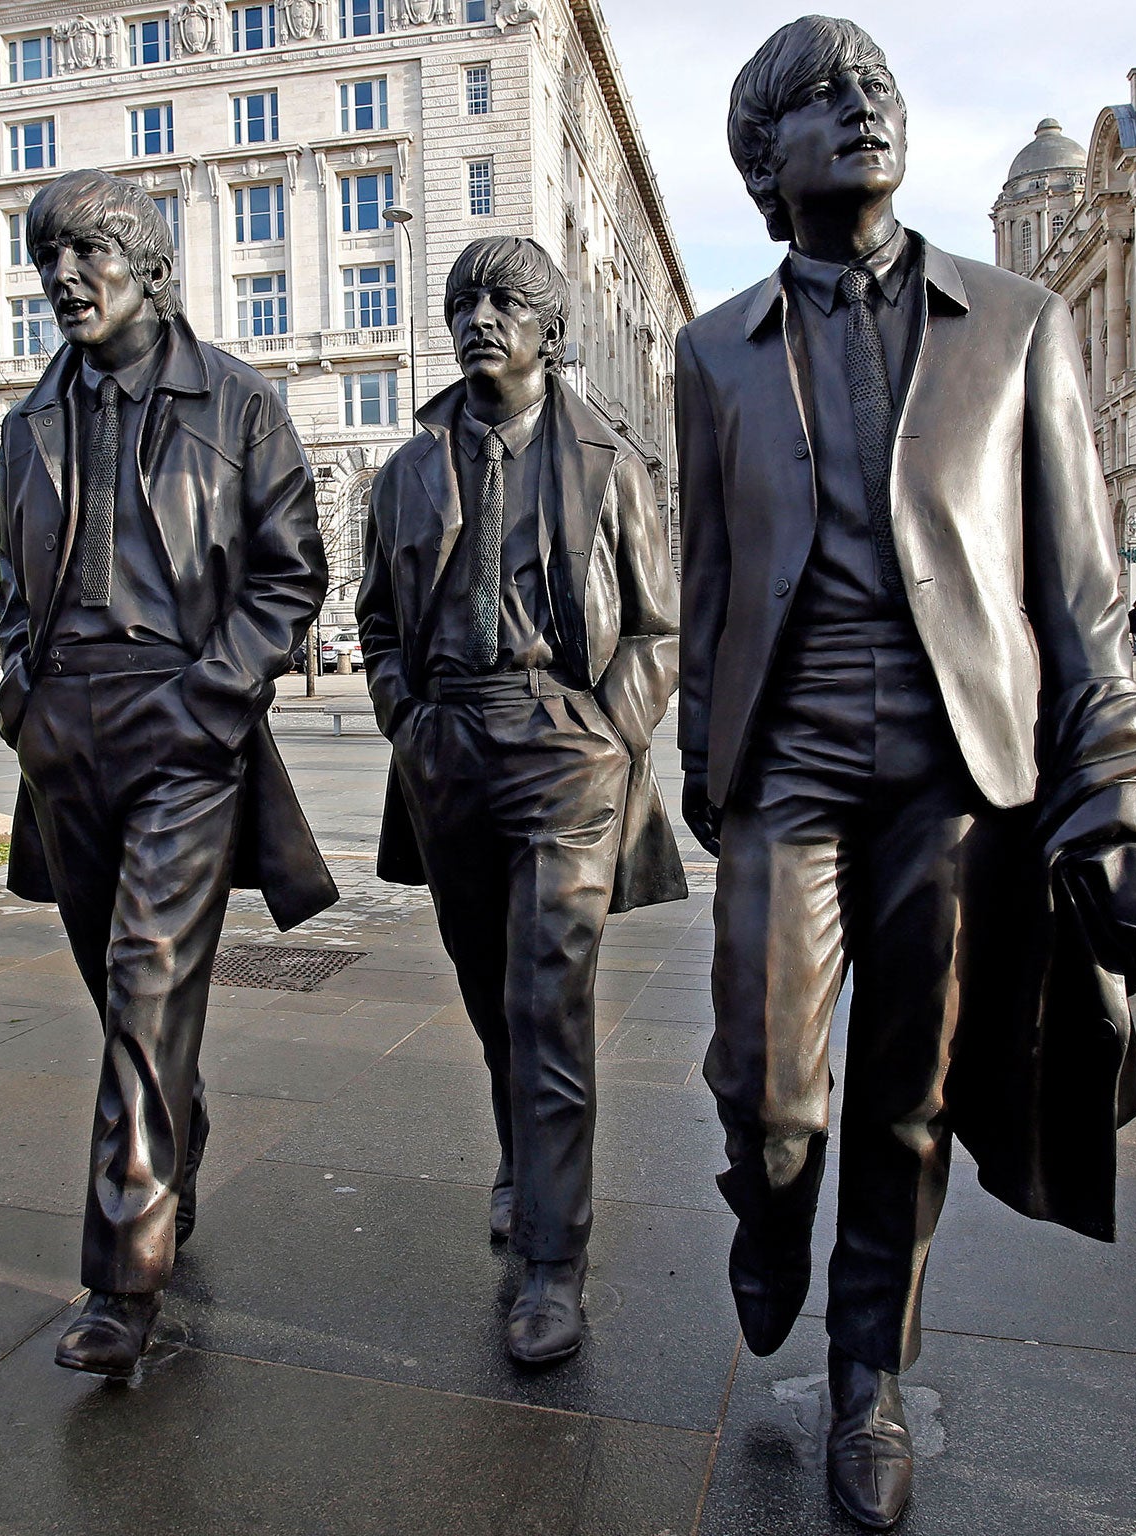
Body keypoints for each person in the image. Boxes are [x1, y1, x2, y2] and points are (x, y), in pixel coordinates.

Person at [675, 19, 1136, 1530]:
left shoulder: (1012, 323)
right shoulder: (713, 350)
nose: (859, 106)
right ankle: (766, 1197)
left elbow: (1076, 590)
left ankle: (868, 1372)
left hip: (958, 770)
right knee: (770, 1089)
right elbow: (705, 575)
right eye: (818, 98)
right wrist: (703, 764)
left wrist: (1115, 768)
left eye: (873, 85)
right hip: (788, 757)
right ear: (767, 160)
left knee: (907, 1094)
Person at [0, 170, 335, 1379]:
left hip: (183, 723)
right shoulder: (24, 419)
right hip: (63, 733)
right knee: (112, 983)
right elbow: (10, 578)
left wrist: (213, 693)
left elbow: (292, 572)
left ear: (149, 266)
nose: (65, 278)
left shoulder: (237, 403)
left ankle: (120, 1281)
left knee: (146, 984)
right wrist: (17, 697)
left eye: (89, 252)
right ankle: (172, 1135)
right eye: (49, 260)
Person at [354, 237, 684, 1366]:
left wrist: (610, 732)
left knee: (548, 1000)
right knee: (491, 997)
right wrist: (405, 715)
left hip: (565, 746)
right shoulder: (406, 468)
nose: (479, 318)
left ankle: (552, 1262)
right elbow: (374, 621)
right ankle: (520, 1157)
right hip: (447, 746)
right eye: (463, 302)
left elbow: (655, 623)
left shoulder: (609, 461)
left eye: (505, 301)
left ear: (550, 329)